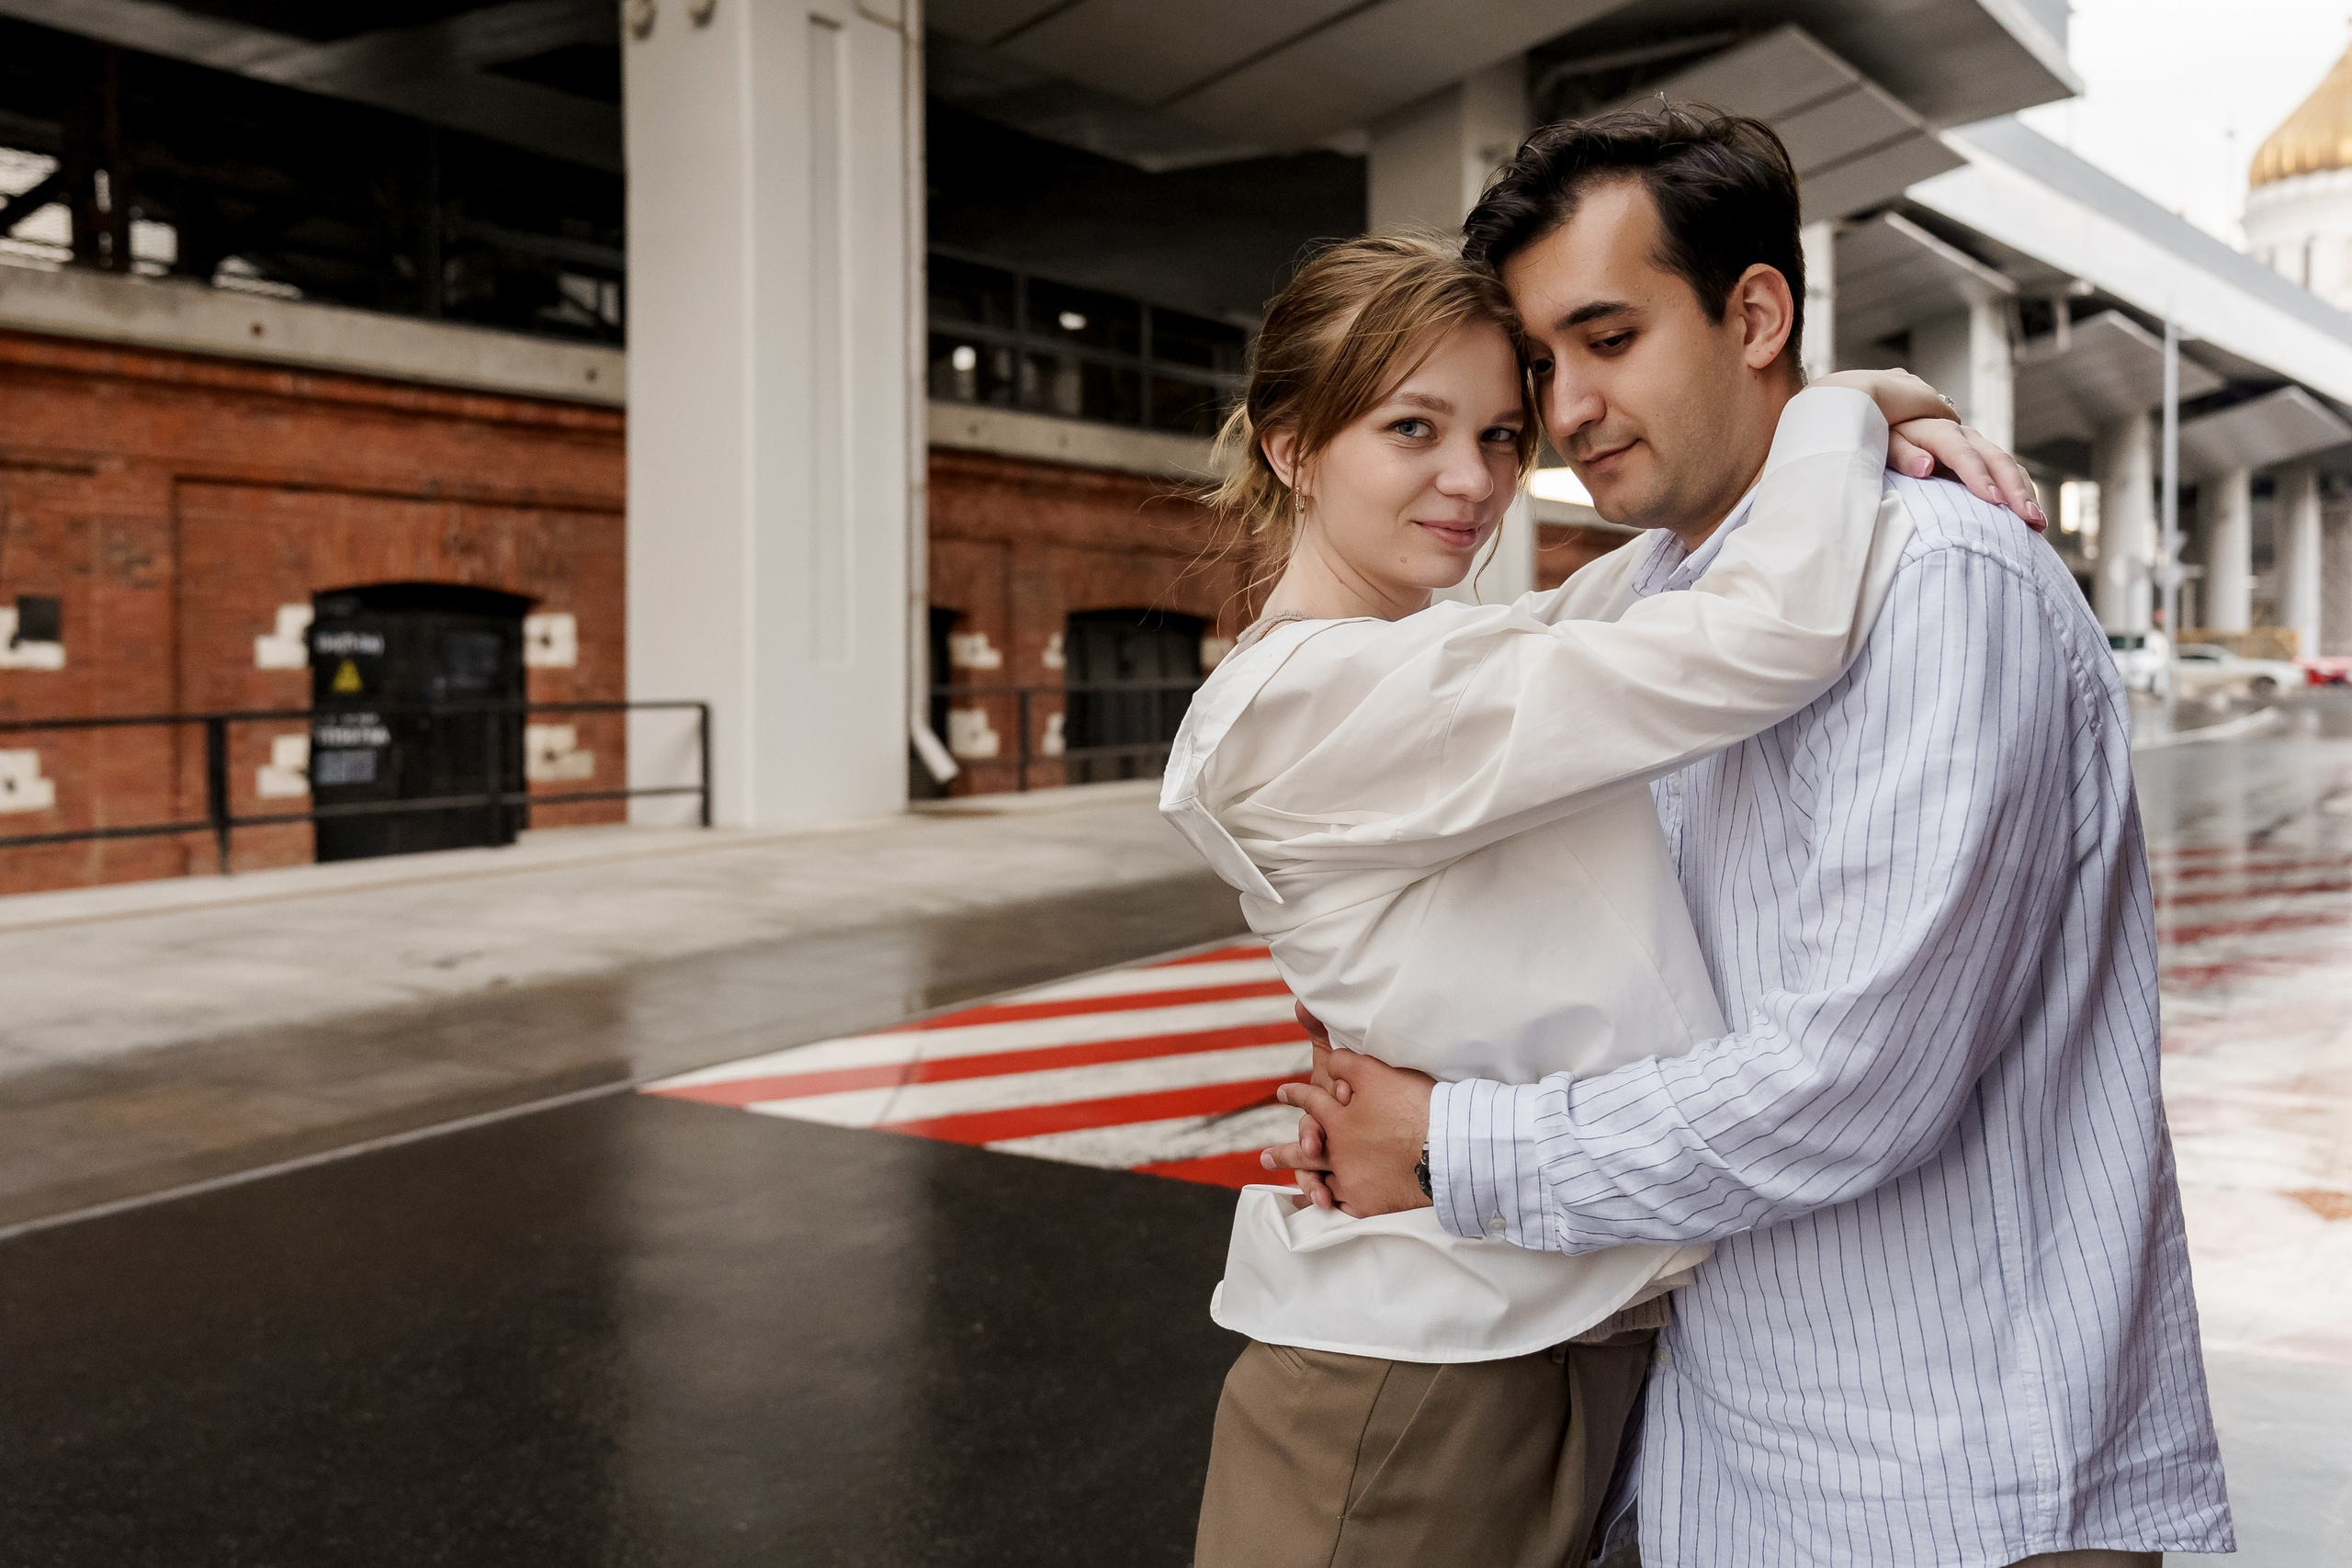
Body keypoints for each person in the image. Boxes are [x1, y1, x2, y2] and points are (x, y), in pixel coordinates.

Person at [1264, 106, 2234, 1567]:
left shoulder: (1937, 586)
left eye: (1609, 337)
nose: (1565, 409)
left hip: (1955, 1486)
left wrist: (1450, 1145)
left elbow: (1855, 1078)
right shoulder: (1664, 594)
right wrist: (1853, 410)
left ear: (1757, 312)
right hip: (1734, 1453)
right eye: (1542, 364)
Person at [1160, 217, 2035, 1563]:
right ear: (1291, 448)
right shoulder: (1304, 702)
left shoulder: (1435, 658)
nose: (1473, 479)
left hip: (1563, 1349)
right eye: (1412, 429)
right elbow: (1757, 628)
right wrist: (1841, 414)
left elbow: (1664, 575)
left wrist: (1829, 413)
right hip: (1408, 1382)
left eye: (1503, 437)